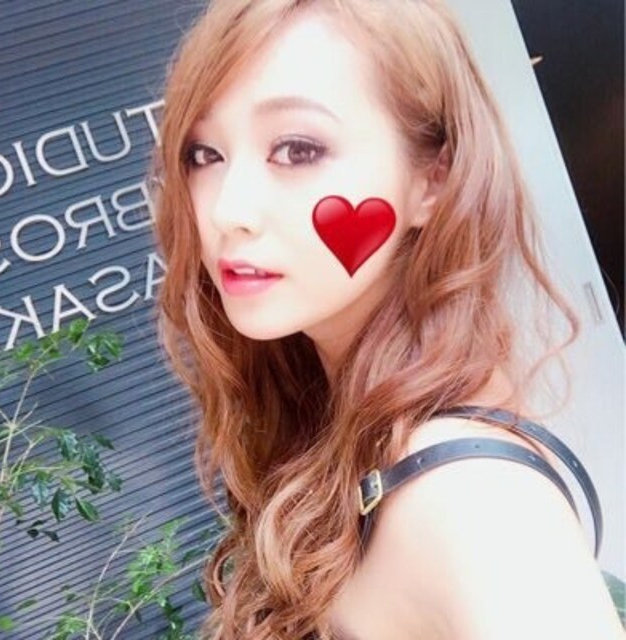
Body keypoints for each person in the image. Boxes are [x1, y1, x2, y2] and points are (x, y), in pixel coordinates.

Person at [153, 0, 624, 638]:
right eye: (204, 154)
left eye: (297, 149)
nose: (227, 211)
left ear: (433, 178)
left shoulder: (473, 504)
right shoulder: (334, 426)